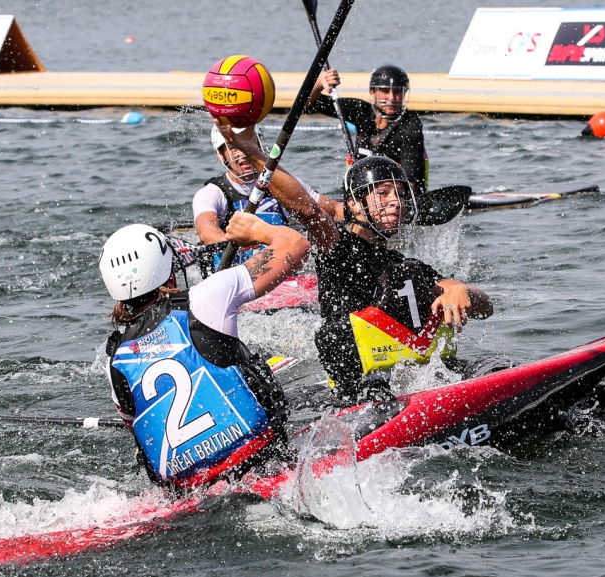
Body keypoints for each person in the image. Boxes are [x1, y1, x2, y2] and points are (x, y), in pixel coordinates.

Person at [218, 125, 492, 405]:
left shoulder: (407, 265)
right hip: (359, 387)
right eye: (383, 193)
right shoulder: (337, 246)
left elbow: (485, 307)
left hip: (410, 378)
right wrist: (252, 151)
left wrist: (460, 289)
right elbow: (307, 209)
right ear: (354, 204)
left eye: (399, 193)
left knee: (495, 364)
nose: (395, 202)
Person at [99, 213, 309, 489]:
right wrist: (256, 229)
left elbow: (138, 428)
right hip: (263, 464)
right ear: (167, 268)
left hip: (191, 495)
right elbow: (296, 244)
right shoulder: (206, 296)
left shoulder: (115, 358)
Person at [191, 125, 334, 277]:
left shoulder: (281, 185)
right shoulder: (212, 193)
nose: (242, 153)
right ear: (220, 155)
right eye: (233, 148)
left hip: (280, 278)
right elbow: (207, 233)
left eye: (247, 144)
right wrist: (243, 240)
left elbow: (329, 209)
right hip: (236, 279)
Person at [306, 65, 428, 193]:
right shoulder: (361, 111)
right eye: (385, 91)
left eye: (397, 92)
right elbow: (308, 104)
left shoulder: (411, 125)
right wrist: (319, 83)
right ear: (372, 92)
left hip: (398, 195)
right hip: (361, 192)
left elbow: (410, 182)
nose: (392, 98)